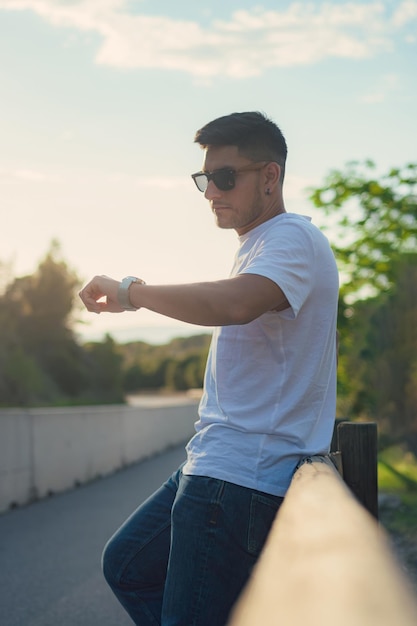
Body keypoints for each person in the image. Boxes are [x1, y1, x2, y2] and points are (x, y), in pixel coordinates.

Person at [79, 111, 339, 625]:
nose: (210, 193)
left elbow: (235, 305)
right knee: (127, 564)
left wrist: (132, 293)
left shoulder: (291, 238)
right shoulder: (260, 245)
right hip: (213, 464)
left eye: (225, 177)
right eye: (205, 179)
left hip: (239, 475)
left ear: (271, 176)